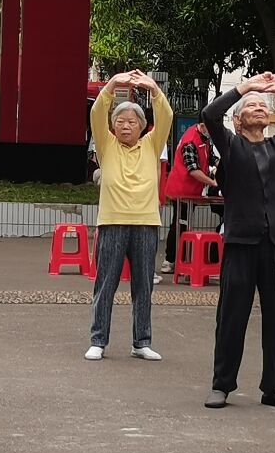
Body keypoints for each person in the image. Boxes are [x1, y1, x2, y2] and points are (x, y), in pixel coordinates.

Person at [201, 72, 275, 410]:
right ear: (238, 122)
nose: (259, 108)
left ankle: (273, 386)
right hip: (241, 242)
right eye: (251, 106)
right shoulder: (231, 145)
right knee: (231, 316)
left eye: (263, 105)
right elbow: (210, 115)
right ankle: (222, 384)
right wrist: (245, 87)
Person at [83, 70, 172, 362]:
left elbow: (166, 116)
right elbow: (97, 112)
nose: (125, 126)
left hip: (146, 223)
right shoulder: (107, 145)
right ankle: (98, 340)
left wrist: (153, 88)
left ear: (142, 126)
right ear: (113, 126)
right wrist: (113, 84)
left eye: (132, 121)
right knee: (105, 284)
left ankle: (141, 342)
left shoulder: (151, 144)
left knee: (143, 285)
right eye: (120, 121)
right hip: (112, 222)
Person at [165, 119, 221, 271]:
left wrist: (221, 164)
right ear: (202, 125)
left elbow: (210, 157)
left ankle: (182, 259)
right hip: (181, 189)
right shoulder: (190, 141)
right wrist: (213, 182)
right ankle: (170, 259)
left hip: (193, 190)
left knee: (185, 225)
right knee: (179, 224)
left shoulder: (204, 138)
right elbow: (193, 170)